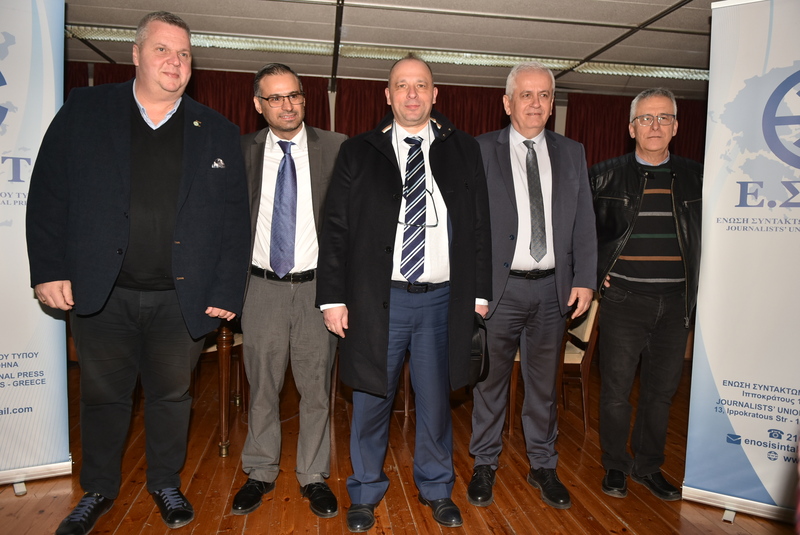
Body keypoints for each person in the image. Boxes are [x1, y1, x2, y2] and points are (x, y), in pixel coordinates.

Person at [25, 12, 251, 535]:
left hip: (181, 299)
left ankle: (165, 482)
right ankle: (98, 490)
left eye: (184, 54)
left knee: (172, 397)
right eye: (163, 50)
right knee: (103, 397)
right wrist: (49, 268)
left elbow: (234, 220)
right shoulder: (86, 110)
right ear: (136, 55)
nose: (175, 62)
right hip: (103, 293)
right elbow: (48, 192)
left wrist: (225, 289)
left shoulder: (217, 130)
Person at [316, 55, 492, 532]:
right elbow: (335, 229)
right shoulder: (358, 151)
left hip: (442, 301)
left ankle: (437, 489)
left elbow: (479, 225)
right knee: (371, 399)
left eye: (421, 85)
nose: (412, 94)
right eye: (402, 85)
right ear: (388, 95)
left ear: (435, 95)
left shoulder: (463, 149)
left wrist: (479, 293)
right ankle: (364, 491)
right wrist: (332, 298)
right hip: (377, 300)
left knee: (435, 402)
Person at [467, 62, 597, 510]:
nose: (536, 103)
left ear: (552, 103)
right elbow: (470, 227)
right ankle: (484, 463)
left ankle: (543, 464)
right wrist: (474, 289)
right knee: (490, 383)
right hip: (498, 292)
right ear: (508, 103)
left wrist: (585, 280)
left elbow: (584, 221)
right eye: (526, 94)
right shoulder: (481, 149)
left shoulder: (572, 152)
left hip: (552, 291)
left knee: (543, 387)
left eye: (544, 95)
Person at [231, 63, 345, 519]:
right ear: (258, 105)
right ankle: (260, 470)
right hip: (261, 288)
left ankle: (314, 475)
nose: (287, 105)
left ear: (304, 98)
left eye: (294, 95)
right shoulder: (241, 151)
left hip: (319, 290)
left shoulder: (336, 148)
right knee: (262, 386)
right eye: (275, 98)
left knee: (316, 388)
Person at [589, 87, 702, 501]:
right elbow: (580, 233)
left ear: (676, 126)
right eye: (646, 118)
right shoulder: (603, 175)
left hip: (676, 306)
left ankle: (648, 466)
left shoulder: (698, 177)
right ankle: (616, 465)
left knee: (661, 393)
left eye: (664, 118)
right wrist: (595, 272)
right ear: (631, 127)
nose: (655, 126)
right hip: (623, 301)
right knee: (616, 392)